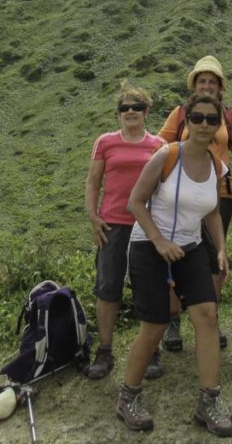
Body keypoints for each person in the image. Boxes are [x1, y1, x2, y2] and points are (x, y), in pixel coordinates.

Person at [117, 94, 232, 437]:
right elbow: (135, 203)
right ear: (186, 120)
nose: (203, 125)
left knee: (207, 316)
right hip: (149, 246)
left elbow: (211, 209)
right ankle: (128, 397)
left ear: (218, 125)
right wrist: (159, 241)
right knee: (154, 326)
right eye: (196, 117)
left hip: (191, 246)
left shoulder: (216, 165)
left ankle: (209, 400)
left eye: (211, 119)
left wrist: (222, 247)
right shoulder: (167, 155)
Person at [158, 55, 232, 351]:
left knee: (213, 258)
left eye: (212, 81)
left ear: (220, 87)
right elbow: (161, 145)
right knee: (177, 251)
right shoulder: (181, 113)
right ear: (194, 86)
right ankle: (173, 320)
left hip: (219, 193)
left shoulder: (229, 116)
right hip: (182, 191)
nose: (207, 86)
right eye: (202, 81)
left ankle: (211, 318)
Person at [84, 83, 166, 381]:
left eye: (137, 107)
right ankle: (105, 351)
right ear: (117, 114)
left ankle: (151, 351)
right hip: (112, 225)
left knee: (149, 287)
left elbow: (164, 187)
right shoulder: (104, 142)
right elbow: (93, 182)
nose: (130, 112)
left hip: (146, 225)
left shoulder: (158, 144)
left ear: (147, 112)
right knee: (108, 287)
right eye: (124, 108)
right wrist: (93, 217)